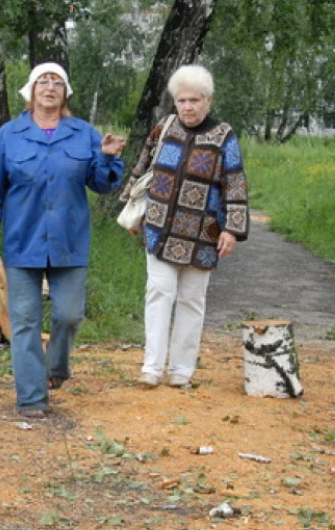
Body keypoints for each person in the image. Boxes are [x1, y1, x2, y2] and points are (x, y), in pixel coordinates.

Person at [0, 62, 127, 419]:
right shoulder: (9, 135)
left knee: (68, 316)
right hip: (23, 243)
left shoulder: (83, 133)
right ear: (31, 91)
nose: (50, 87)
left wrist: (109, 157)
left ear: (65, 92)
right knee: (23, 321)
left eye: (57, 82)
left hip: (69, 242)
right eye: (43, 81)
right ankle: (32, 398)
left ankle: (56, 367)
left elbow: (102, 184)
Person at [121, 64, 249, 389]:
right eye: (182, 100)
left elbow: (234, 183)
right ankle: (151, 367)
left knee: (191, 300)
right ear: (175, 102)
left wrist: (232, 228)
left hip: (203, 235)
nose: (188, 107)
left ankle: (181, 370)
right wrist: (132, 211)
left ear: (208, 101)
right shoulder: (164, 128)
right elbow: (142, 166)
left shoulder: (223, 136)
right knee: (159, 292)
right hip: (160, 228)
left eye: (194, 100)